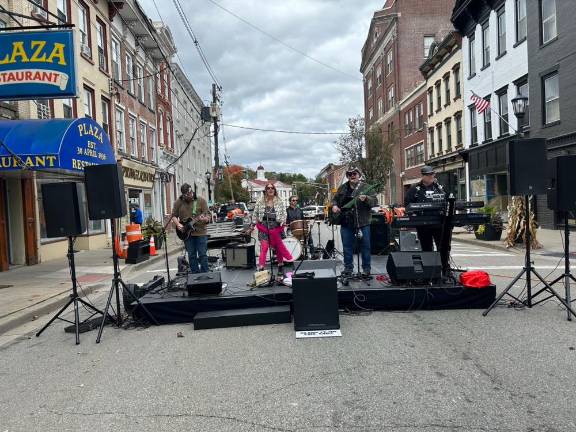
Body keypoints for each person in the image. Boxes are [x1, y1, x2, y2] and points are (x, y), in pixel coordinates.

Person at [332, 166, 377, 277]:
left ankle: (366, 269)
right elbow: (334, 199)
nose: (352, 176)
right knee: (347, 246)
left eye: (354, 174)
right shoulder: (342, 188)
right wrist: (334, 205)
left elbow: (374, 201)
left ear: (359, 175)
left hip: (363, 221)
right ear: (347, 176)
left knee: (365, 246)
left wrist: (366, 198)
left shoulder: (366, 187)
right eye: (350, 174)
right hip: (346, 221)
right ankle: (348, 268)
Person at [251, 183, 291, 276]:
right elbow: (255, 213)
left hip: (276, 226)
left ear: (274, 190)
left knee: (278, 249)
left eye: (272, 188)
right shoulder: (260, 201)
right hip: (264, 227)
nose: (270, 189)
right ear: (266, 190)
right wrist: (253, 224)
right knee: (264, 248)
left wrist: (282, 221)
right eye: (268, 188)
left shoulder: (279, 201)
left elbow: (284, 214)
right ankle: (261, 269)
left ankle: (280, 266)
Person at [404, 165, 447, 252]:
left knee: (442, 246)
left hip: (438, 221)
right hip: (423, 223)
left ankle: (444, 264)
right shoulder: (415, 189)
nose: (431, 176)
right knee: (426, 247)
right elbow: (407, 204)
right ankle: (429, 265)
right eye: (428, 175)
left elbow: (447, 199)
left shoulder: (439, 188)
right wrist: (413, 214)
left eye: (432, 174)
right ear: (423, 176)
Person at [171, 183, 211, 273]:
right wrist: (178, 224)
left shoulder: (201, 200)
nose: (188, 196)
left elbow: (208, 215)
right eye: (186, 195)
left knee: (202, 254)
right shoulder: (179, 202)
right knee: (191, 255)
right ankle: (195, 275)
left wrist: (205, 218)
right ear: (183, 194)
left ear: (191, 191)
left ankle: (205, 274)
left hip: (200, 232)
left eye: (189, 194)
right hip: (186, 233)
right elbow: (173, 216)